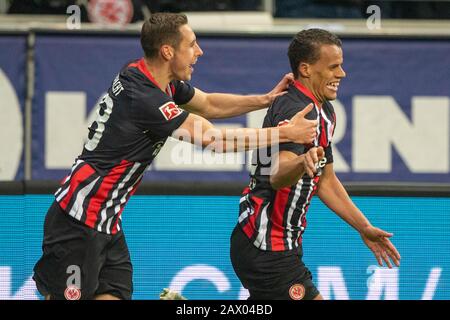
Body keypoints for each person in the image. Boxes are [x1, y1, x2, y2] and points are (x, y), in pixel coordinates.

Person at [32, 12, 318, 300]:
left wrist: (265, 100)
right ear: (168, 51)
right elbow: (212, 139)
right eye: (192, 45)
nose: (199, 52)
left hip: (106, 222)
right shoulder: (144, 97)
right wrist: (286, 134)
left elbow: (207, 104)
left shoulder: (148, 75)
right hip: (77, 221)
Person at [230, 28, 401, 300]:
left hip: (278, 243)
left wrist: (363, 227)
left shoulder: (325, 111)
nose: (341, 74)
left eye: (341, 66)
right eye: (333, 67)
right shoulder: (295, 110)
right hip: (266, 245)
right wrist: (301, 163)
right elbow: (278, 175)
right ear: (306, 69)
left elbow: (326, 180)